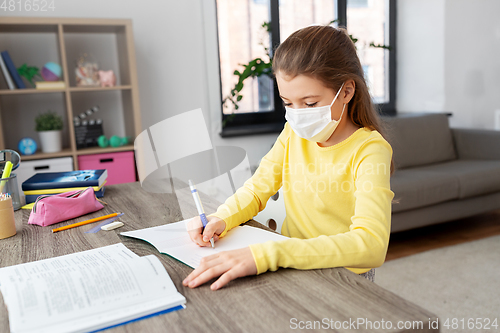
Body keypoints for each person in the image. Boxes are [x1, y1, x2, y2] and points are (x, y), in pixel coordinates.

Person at [183, 25, 395, 291]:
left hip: (342, 278)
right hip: (292, 266)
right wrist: (221, 218)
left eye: (309, 104)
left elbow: (371, 246)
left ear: (346, 92)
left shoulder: (370, 150)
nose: (297, 115)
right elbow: (258, 188)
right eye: (287, 103)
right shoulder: (293, 133)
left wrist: (269, 254)